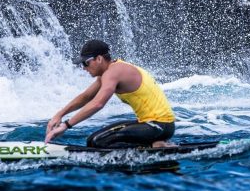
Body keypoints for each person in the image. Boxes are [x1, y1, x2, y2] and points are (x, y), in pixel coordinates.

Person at [44, 39, 175, 148]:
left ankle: (155, 146)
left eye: (86, 62)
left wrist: (66, 125)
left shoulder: (113, 72)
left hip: (159, 125)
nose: (83, 68)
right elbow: (86, 97)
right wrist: (59, 114)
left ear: (99, 59)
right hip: (153, 125)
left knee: (98, 142)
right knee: (92, 140)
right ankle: (153, 144)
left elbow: (98, 103)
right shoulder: (108, 72)